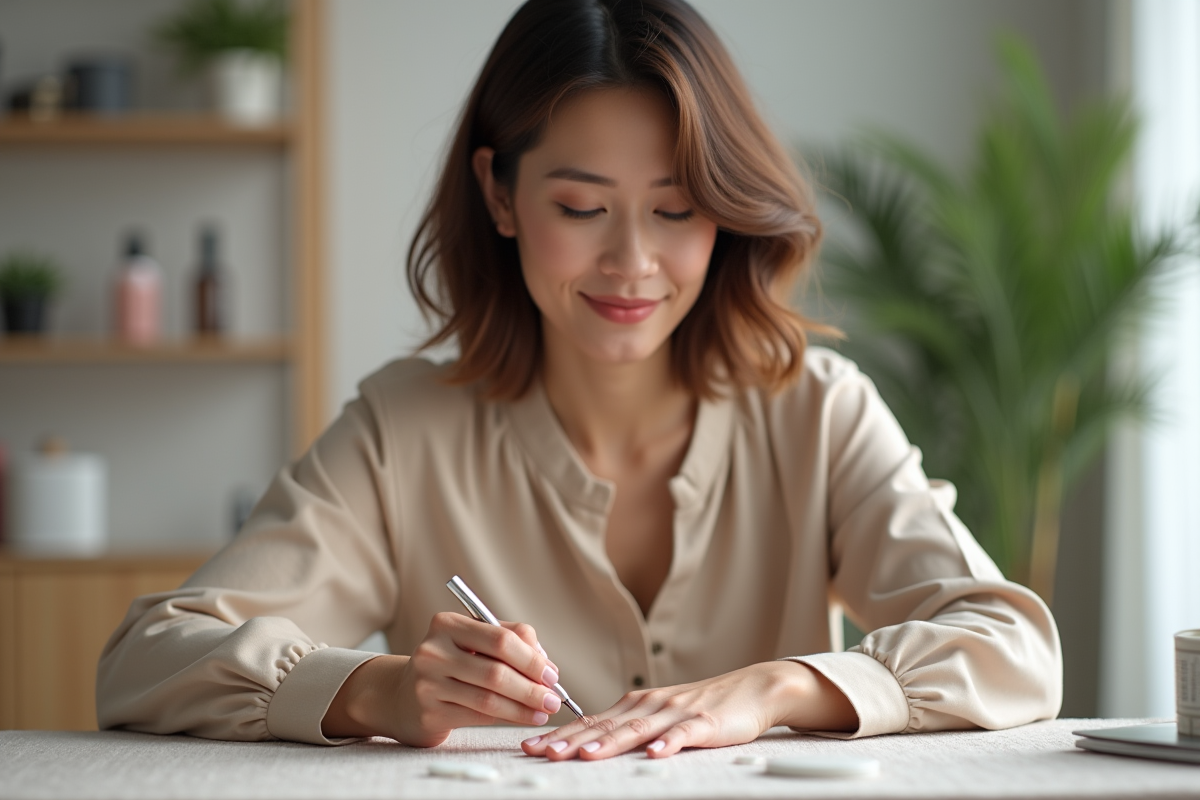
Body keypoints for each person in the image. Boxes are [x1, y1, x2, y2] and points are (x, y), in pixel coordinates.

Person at [96, 0, 1061, 760]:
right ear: (499, 194)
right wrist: (382, 692)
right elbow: (147, 662)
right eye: (581, 206)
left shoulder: (819, 410)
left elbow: (1013, 646)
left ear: (724, 217)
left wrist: (772, 688)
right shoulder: (404, 429)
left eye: (677, 210)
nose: (633, 262)